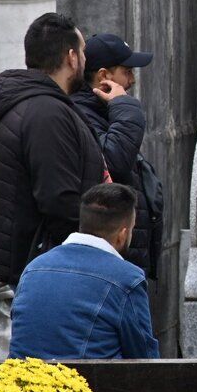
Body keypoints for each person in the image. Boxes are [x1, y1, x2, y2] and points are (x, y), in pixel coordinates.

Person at [0, 13, 108, 286]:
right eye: (83, 52)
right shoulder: (46, 112)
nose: (85, 61)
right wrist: (101, 239)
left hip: (46, 264)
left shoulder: (42, 104)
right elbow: (58, 200)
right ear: (72, 58)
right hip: (52, 270)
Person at [8, 183, 158, 360]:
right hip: (87, 384)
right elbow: (145, 359)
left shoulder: (33, 268)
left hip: (20, 383)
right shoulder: (128, 279)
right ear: (122, 234)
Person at [69, 33, 163, 277]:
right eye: (127, 71)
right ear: (104, 76)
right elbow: (114, 162)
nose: (131, 79)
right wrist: (126, 107)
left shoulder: (104, 109)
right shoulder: (84, 112)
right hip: (108, 257)